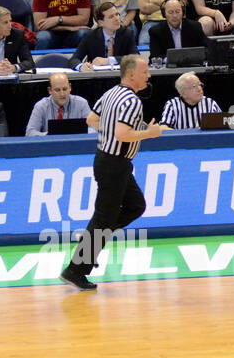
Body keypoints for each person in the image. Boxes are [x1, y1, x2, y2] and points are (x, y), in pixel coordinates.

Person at [62, 53, 166, 291]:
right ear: (131, 75)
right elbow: (122, 134)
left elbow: (91, 119)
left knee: (135, 206)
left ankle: (94, 238)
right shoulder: (131, 101)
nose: (148, 76)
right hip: (114, 164)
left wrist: (113, 132)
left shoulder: (110, 93)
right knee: (103, 218)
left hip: (109, 161)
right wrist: (149, 133)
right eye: (144, 72)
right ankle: (76, 268)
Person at [73, 1, 138, 69]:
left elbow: (135, 57)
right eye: (111, 17)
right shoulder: (90, 36)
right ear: (101, 23)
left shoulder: (127, 33)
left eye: (117, 14)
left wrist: (109, 60)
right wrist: (81, 67)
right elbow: (74, 59)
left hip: (120, 76)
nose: (117, 19)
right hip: (96, 77)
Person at [25, 69, 90, 134]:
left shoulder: (82, 104)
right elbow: (30, 132)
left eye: (65, 89)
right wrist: (50, 135)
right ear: (50, 90)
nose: (62, 94)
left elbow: (93, 129)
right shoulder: (41, 106)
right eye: (57, 90)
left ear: (70, 87)